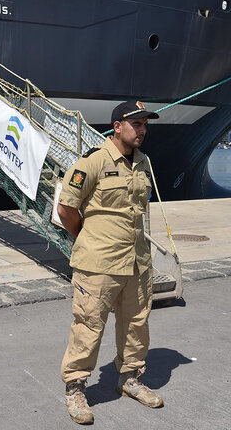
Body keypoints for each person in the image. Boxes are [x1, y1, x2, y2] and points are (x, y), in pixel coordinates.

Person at [57, 100, 162, 425]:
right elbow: (66, 210)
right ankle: (75, 388)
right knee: (88, 326)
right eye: (137, 124)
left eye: (145, 125)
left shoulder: (143, 163)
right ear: (118, 126)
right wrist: (88, 240)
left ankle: (129, 378)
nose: (143, 130)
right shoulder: (93, 162)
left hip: (136, 263)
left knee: (137, 323)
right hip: (98, 264)